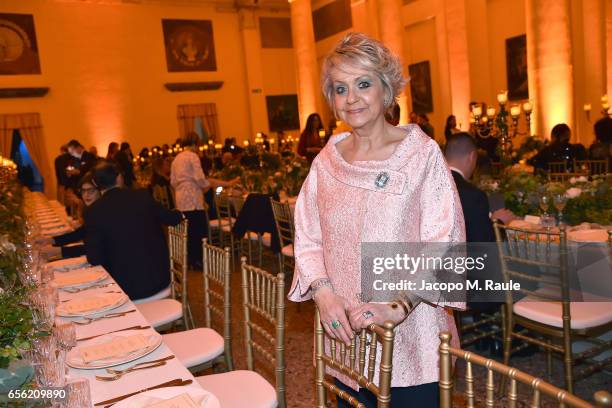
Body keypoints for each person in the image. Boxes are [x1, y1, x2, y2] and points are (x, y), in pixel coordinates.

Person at [289, 32, 465, 407]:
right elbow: (307, 235)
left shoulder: (421, 155)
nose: (351, 98)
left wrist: (398, 306)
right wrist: (321, 293)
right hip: (347, 339)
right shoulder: (327, 161)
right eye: (340, 88)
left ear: (386, 90)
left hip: (410, 338)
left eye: (363, 84)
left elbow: (445, 242)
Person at [85, 161, 183, 300]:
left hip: (121, 290)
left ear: (95, 183)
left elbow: (94, 258)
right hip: (159, 280)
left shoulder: (93, 212)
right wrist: (181, 214)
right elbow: (171, 218)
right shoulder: (142, 196)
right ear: (119, 177)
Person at [171, 132, 238, 268]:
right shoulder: (192, 156)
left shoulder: (176, 158)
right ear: (195, 144)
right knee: (199, 231)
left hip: (181, 199)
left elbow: (172, 181)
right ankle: (200, 261)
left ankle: (190, 260)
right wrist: (207, 186)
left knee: (189, 232)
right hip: (193, 198)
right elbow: (200, 179)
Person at [445, 132, 516, 242]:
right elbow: (483, 243)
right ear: (472, 156)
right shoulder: (473, 195)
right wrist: (498, 223)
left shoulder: (425, 185)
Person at [47, 172, 101, 259]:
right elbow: (82, 232)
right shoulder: (91, 210)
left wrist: (60, 250)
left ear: (100, 191)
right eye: (83, 191)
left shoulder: (102, 213)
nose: (86, 195)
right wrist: (51, 240)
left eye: (91, 191)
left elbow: (96, 249)